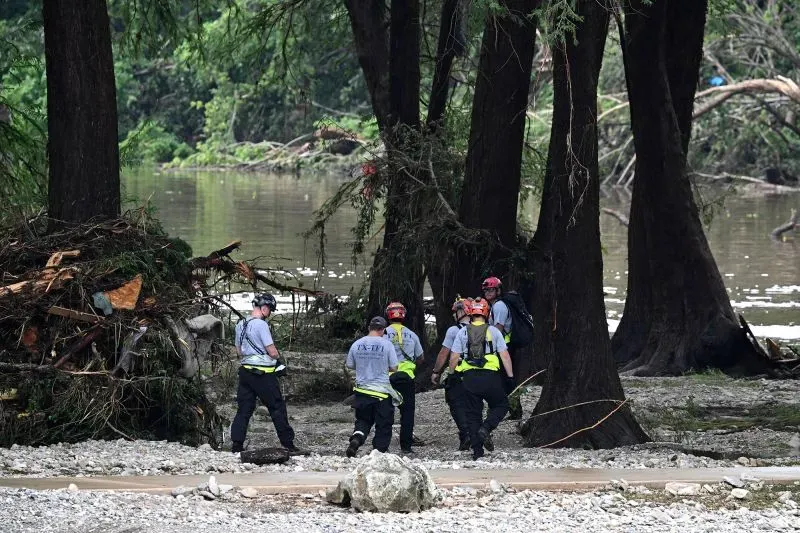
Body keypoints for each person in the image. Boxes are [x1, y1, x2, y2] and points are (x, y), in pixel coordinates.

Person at [231, 293, 301, 454]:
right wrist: (277, 358)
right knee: (277, 407)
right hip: (263, 374)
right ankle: (288, 444)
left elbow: (238, 351)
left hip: (245, 373)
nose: (269, 313)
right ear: (264, 308)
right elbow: (271, 351)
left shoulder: (240, 324)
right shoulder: (261, 325)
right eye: (270, 310)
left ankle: (236, 445)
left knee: (243, 410)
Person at [448, 297, 515, 460]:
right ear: (487, 313)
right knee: (502, 404)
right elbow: (505, 356)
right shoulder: (494, 331)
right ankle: (486, 427)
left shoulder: (462, 332)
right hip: (491, 378)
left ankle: (478, 453)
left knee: (472, 414)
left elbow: (454, 357)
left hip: (469, 379)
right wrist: (511, 377)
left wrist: (451, 375)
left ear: (471, 312)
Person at [345, 316, 401, 457]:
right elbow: (394, 367)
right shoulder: (387, 345)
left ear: (369, 328)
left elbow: (350, 365)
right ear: (382, 330)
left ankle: (356, 439)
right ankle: (379, 452)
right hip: (381, 393)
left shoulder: (357, 344)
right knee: (384, 424)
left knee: (363, 420)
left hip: (362, 391)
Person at [431, 297, 472, 451]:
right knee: (473, 405)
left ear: (462, 311)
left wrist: (436, 372)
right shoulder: (485, 328)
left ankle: (465, 433)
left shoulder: (454, 330)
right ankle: (475, 434)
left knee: (456, 404)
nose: (454, 315)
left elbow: (444, 353)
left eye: (455, 312)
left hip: (459, 373)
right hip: (480, 374)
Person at [383, 302, 425, 453]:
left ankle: (383, 445)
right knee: (407, 413)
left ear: (388, 315)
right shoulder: (412, 335)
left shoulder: (383, 334)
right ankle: (406, 447)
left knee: (386, 412)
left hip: (388, 378)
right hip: (407, 377)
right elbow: (420, 358)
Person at [482, 276, 522, 420]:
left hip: (504, 347)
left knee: (507, 379)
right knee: (506, 379)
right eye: (486, 290)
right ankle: (513, 409)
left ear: (498, 290)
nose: (487, 292)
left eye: (491, 289)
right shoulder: (495, 306)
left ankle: (514, 410)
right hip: (503, 346)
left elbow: (497, 330)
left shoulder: (499, 306)